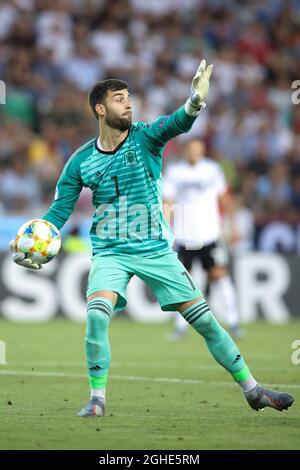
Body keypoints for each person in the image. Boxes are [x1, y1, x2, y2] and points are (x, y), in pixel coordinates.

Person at [10, 60, 294, 417]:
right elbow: (58, 211)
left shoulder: (146, 137)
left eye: (129, 97)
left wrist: (195, 101)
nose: (128, 103)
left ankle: (254, 391)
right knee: (97, 316)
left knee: (206, 321)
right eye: (118, 99)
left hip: (155, 250)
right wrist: (33, 238)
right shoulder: (80, 161)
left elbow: (178, 122)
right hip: (110, 252)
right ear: (100, 109)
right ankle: (97, 400)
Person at [163, 138, 243, 340]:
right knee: (183, 282)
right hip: (184, 235)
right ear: (185, 150)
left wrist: (233, 225)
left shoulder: (212, 169)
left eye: (197, 148)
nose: (194, 152)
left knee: (219, 275)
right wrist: (164, 230)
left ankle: (234, 322)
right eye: (190, 148)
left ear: (203, 150)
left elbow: (224, 197)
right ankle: (180, 327)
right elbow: (168, 202)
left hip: (209, 234)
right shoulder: (175, 172)